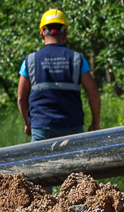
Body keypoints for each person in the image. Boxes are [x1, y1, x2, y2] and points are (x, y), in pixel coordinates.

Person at [17, 8, 101, 141]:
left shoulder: (30, 61)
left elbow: (21, 98)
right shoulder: (77, 59)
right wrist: (95, 123)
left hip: (41, 127)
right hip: (72, 127)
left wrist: (28, 123)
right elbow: (93, 94)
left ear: (42, 34)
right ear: (65, 34)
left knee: (40, 162)